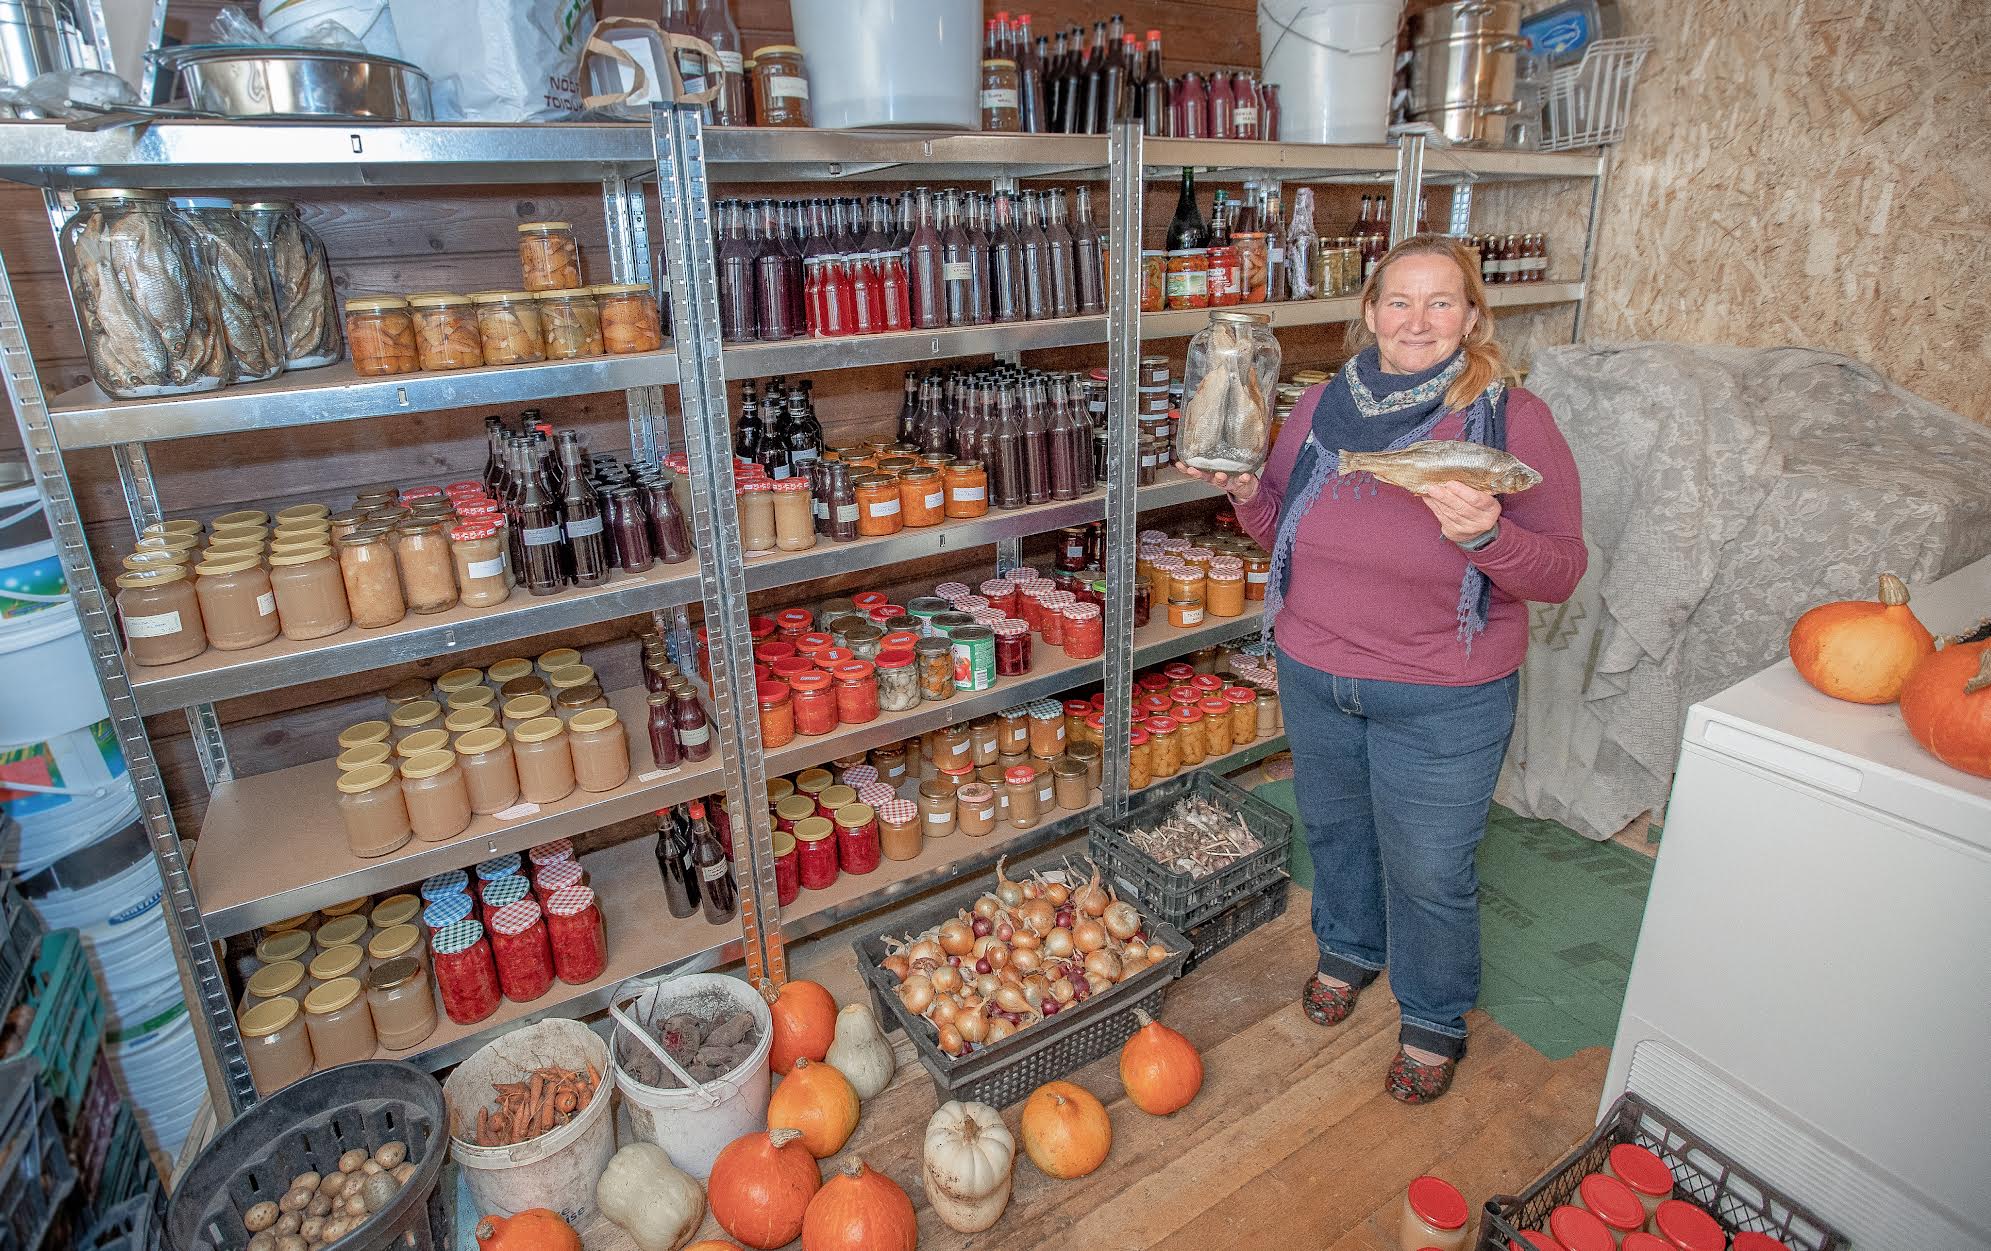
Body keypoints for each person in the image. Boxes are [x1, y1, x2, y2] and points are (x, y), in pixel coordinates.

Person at [1177, 234, 1585, 1102]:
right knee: (1334, 829)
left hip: (1444, 693)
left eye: (1442, 303)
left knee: (1431, 865)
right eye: (1399, 300)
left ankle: (1433, 1012)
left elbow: (1558, 571)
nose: (1417, 321)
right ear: (1368, 312)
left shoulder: (1512, 419)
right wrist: (1246, 494)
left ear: (1471, 318)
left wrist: (1484, 534)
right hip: (1315, 669)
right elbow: (1282, 527)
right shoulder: (1322, 404)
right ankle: (1349, 947)